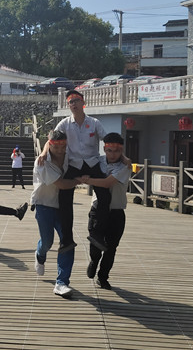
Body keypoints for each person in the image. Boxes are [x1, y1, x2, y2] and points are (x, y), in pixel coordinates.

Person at [39, 89, 128, 254]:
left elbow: (108, 141)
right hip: (74, 164)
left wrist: (123, 157)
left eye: (76, 101)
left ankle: (97, 234)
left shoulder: (94, 123)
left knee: (105, 197)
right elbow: (51, 139)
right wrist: (44, 153)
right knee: (64, 198)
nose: (73, 104)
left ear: (83, 103)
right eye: (70, 102)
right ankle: (66, 239)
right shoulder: (64, 124)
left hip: (93, 163)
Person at [79, 133, 131, 290]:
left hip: (116, 211)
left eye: (117, 151)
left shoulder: (125, 167)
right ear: (104, 149)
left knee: (111, 247)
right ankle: (94, 260)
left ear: (121, 150)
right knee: (95, 241)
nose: (113, 154)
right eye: (109, 150)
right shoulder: (98, 161)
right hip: (97, 209)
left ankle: (103, 277)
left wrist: (87, 180)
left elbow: (108, 183)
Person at [31, 130, 80, 298]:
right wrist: (79, 181)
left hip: (62, 206)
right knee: (47, 241)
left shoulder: (69, 156)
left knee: (67, 241)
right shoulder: (42, 162)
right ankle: (40, 254)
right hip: (43, 204)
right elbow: (62, 184)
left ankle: (62, 282)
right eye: (55, 146)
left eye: (63, 146)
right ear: (50, 144)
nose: (60, 150)